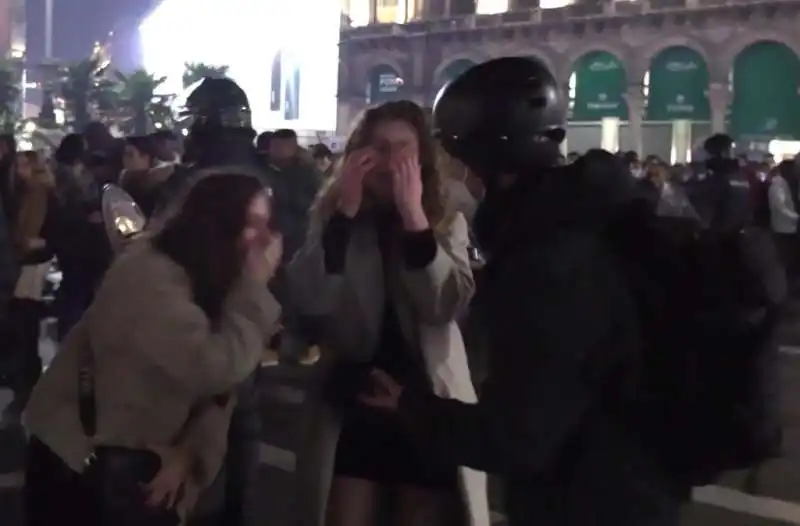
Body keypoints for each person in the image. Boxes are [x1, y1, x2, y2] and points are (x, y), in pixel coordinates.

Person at [360, 57, 683, 526]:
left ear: (482, 160)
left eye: (453, 153)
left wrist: (413, 408)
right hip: (632, 484)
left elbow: (519, 435)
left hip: (587, 499)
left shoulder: (547, 256)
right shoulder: (590, 219)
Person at [23, 173, 283, 525]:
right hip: (83, 461)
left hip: (146, 459)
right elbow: (212, 368)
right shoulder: (150, 274)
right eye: (253, 224)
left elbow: (223, 391)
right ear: (215, 226)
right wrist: (254, 290)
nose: (267, 240)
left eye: (268, 224)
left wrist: (190, 452)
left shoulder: (215, 278)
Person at [289, 100, 488, 526]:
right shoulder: (334, 216)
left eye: (403, 148)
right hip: (354, 400)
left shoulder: (447, 214)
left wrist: (416, 220)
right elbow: (309, 299)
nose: (390, 160)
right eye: (378, 147)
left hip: (425, 401)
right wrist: (343, 213)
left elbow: (444, 306)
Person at [150, 76, 275, 526]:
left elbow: (160, 247)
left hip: (199, 315)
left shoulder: (195, 184)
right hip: (257, 314)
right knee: (244, 417)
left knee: (193, 424)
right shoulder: (272, 176)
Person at [5, 151, 55, 420]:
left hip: (31, 268)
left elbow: (32, 236)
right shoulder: (27, 192)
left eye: (24, 164)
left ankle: (26, 387)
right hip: (27, 266)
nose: (19, 169)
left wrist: (25, 245)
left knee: (23, 327)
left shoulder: (39, 194)